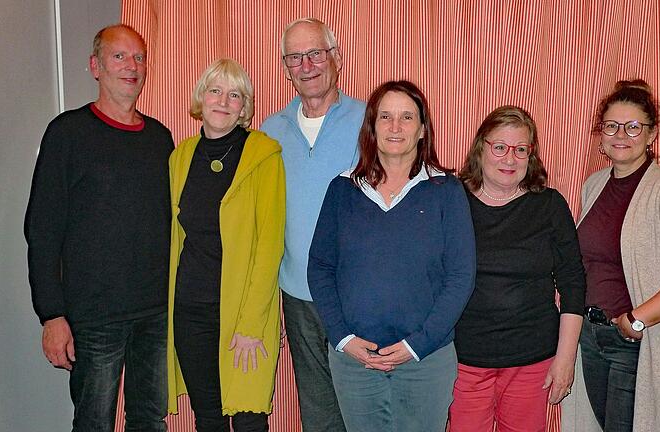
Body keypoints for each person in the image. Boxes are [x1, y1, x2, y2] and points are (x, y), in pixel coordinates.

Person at [24, 24, 172, 431]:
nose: (131, 66)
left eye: (139, 57)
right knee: (93, 423)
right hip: (93, 318)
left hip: (156, 314)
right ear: (95, 66)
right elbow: (42, 230)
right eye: (119, 56)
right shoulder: (67, 133)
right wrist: (51, 315)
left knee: (150, 419)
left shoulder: (161, 139)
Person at [307, 80, 476, 432]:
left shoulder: (445, 191)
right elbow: (320, 268)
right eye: (385, 117)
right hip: (355, 361)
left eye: (406, 117)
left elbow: (461, 276)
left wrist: (418, 345)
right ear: (371, 127)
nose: (395, 127)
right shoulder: (342, 190)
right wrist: (343, 338)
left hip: (425, 360)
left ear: (422, 130)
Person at [562, 79, 660, 432]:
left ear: (652, 135)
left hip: (635, 343)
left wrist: (637, 320)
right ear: (600, 134)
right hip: (592, 335)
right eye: (611, 126)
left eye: (633, 127)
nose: (621, 135)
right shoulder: (594, 184)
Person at [447, 106, 586, 432]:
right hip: (464, 360)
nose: (510, 159)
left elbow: (572, 282)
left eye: (520, 150)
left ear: (531, 156)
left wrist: (565, 359)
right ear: (481, 148)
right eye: (500, 148)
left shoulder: (549, 205)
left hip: (532, 359)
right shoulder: (452, 200)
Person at [166, 59, 285, 432]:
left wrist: (251, 322)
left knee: (249, 418)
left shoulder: (264, 155)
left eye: (235, 94)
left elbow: (270, 244)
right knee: (209, 418)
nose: (223, 101)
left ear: (245, 106)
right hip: (190, 310)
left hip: (243, 314)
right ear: (201, 97)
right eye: (215, 91)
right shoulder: (180, 157)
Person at [260, 17, 365, 432]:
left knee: (362, 403)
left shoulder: (371, 120)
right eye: (295, 57)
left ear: (336, 57)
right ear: (286, 68)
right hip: (298, 293)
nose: (307, 65)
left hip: (356, 292)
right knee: (317, 408)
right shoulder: (270, 131)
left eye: (315, 53)